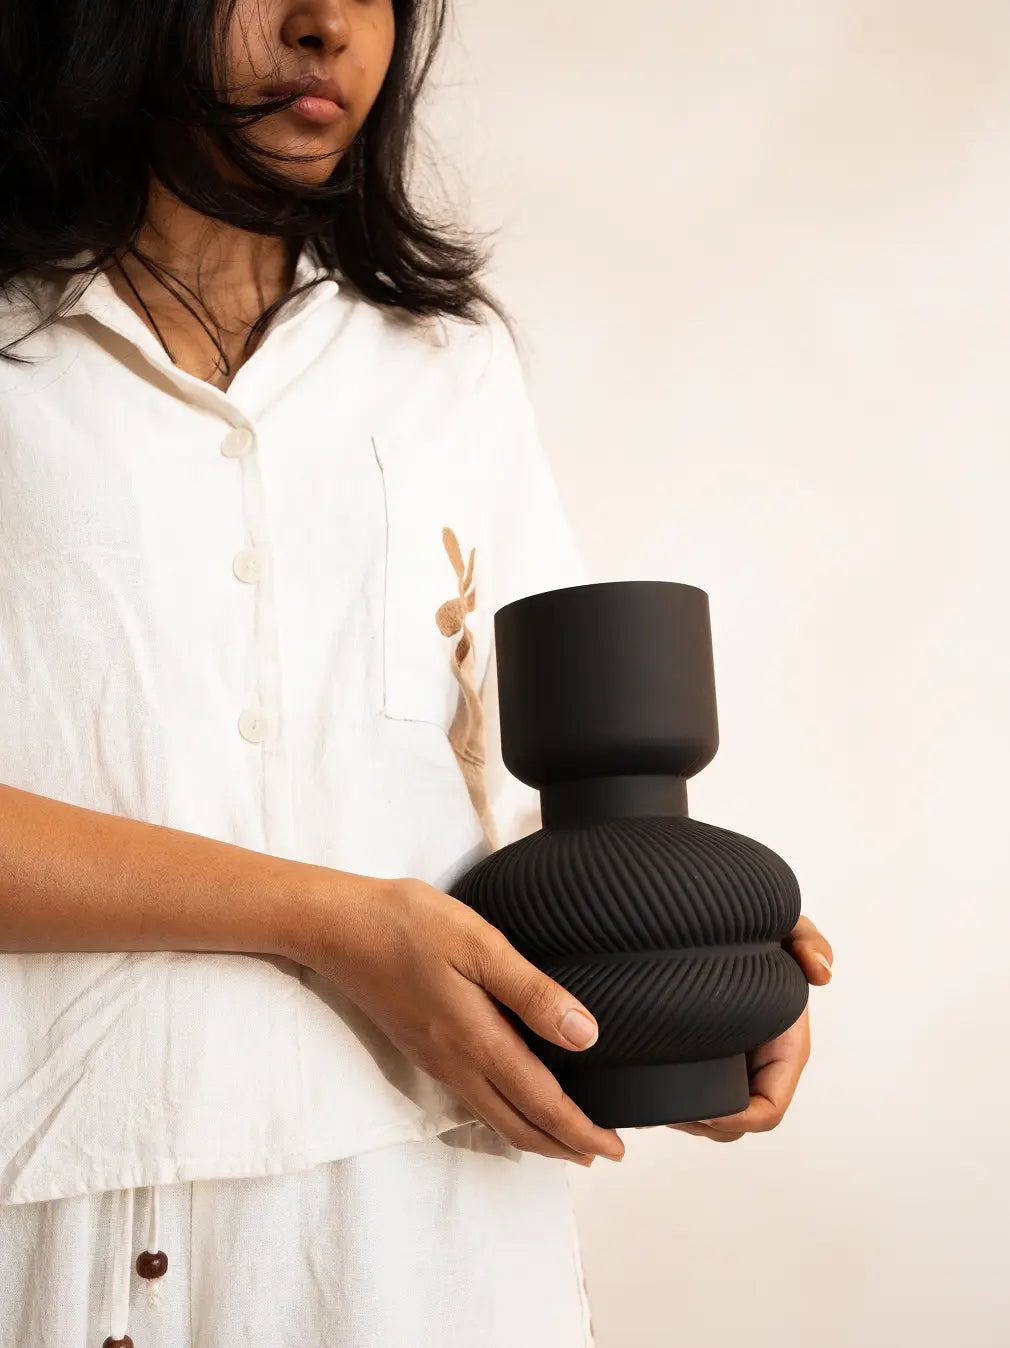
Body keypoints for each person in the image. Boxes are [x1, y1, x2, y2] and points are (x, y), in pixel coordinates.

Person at [0, 1, 836, 1343]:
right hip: (82, 1213)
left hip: (431, 1237)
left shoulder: (447, 364)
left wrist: (696, 960)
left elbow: (548, 785)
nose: (328, 25)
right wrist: (331, 920)